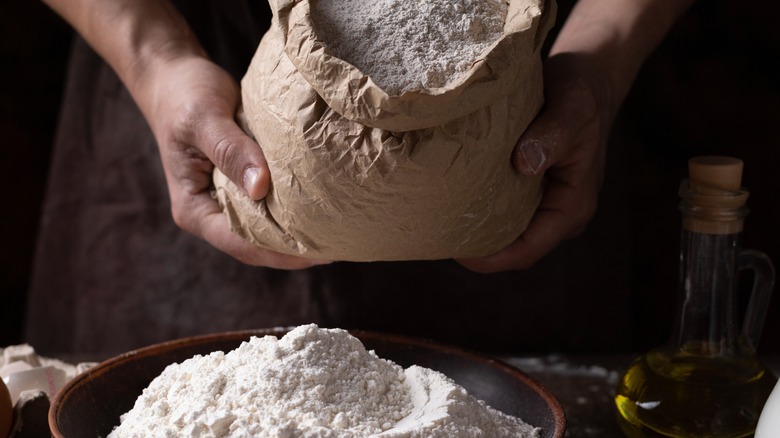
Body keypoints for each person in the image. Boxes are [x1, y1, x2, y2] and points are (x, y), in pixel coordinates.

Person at [25, 0, 696, 356]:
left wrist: (603, 54)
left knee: (512, 401)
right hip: (198, 68)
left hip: (532, 88)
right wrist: (154, 61)